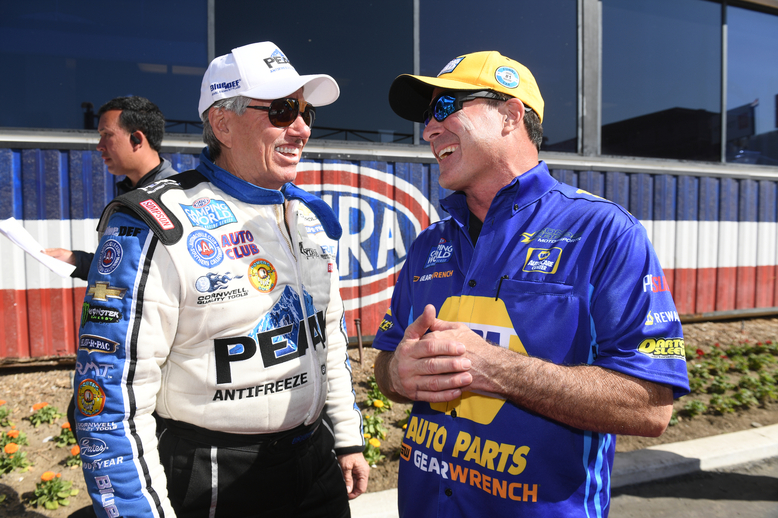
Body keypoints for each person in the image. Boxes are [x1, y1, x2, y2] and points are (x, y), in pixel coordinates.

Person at [372, 50, 690, 517]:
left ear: (511, 115)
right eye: (427, 116)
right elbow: (386, 364)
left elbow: (651, 406)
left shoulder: (605, 232)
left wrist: (498, 369)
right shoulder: (427, 244)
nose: (429, 130)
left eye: (445, 107)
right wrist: (396, 374)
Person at [73, 41, 368, 518]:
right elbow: (110, 398)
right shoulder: (155, 222)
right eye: (282, 110)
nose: (301, 128)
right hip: (213, 474)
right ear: (223, 123)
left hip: (315, 462)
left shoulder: (305, 215)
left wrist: (347, 437)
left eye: (306, 113)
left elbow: (328, 339)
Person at [44, 96, 178, 280]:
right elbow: (123, 268)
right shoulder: (129, 192)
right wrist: (76, 261)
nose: (99, 146)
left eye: (107, 135)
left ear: (137, 139)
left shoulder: (175, 197)